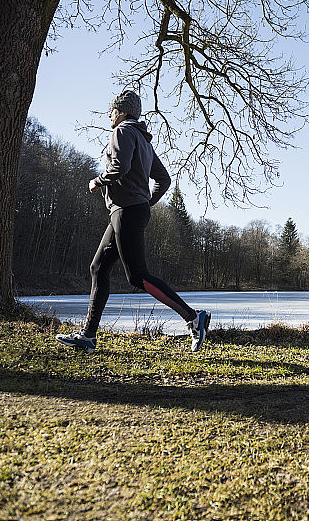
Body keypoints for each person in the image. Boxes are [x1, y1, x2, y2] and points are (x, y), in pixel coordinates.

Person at [56, 90, 210, 353]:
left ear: (122, 111)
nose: (109, 115)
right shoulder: (143, 140)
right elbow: (164, 180)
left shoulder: (122, 132)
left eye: (112, 110)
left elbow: (119, 168)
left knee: (137, 276)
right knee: (98, 268)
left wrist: (97, 181)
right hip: (127, 210)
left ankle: (193, 318)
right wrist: (146, 202)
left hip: (126, 210)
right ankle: (88, 337)